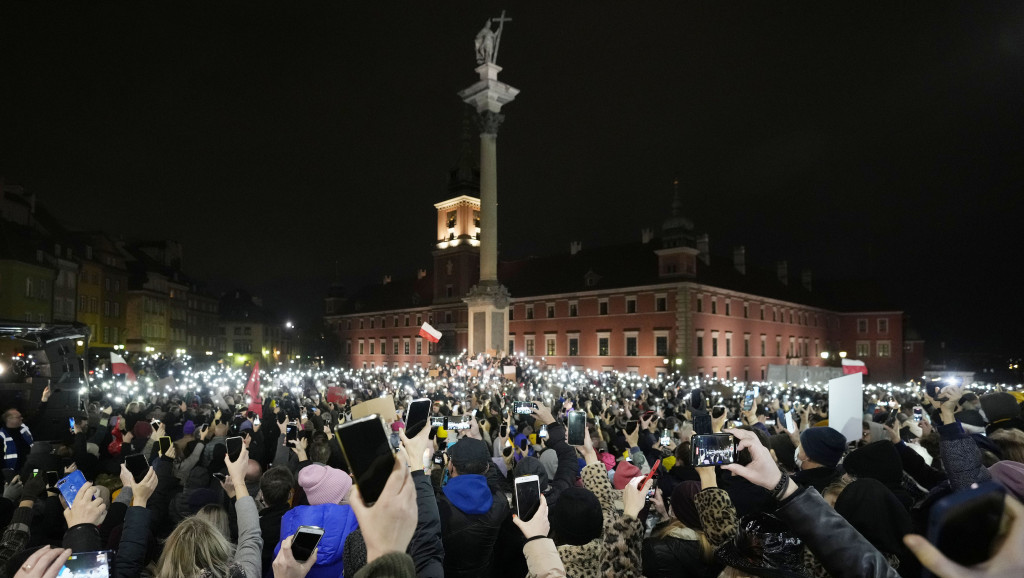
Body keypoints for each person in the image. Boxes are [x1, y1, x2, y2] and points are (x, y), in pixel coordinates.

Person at [435, 436, 509, 578]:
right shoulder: (500, 503)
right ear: (487, 467)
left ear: (451, 466)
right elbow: (493, 481)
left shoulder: (438, 506)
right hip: (484, 572)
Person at [792, 426, 846, 492]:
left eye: (801, 445)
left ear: (807, 456)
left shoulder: (799, 489)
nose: (797, 448)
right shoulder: (836, 479)